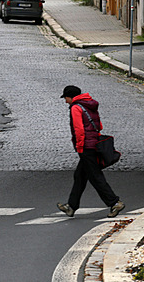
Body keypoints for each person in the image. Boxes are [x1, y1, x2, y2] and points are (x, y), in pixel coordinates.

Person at [57, 85, 125, 218]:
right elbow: (99, 126)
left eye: (66, 98)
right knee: (80, 176)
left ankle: (115, 202)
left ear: (71, 97)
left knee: (95, 177)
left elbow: (79, 130)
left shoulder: (76, 108)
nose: (65, 101)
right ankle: (71, 206)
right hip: (94, 144)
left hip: (86, 147)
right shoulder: (89, 105)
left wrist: (80, 147)